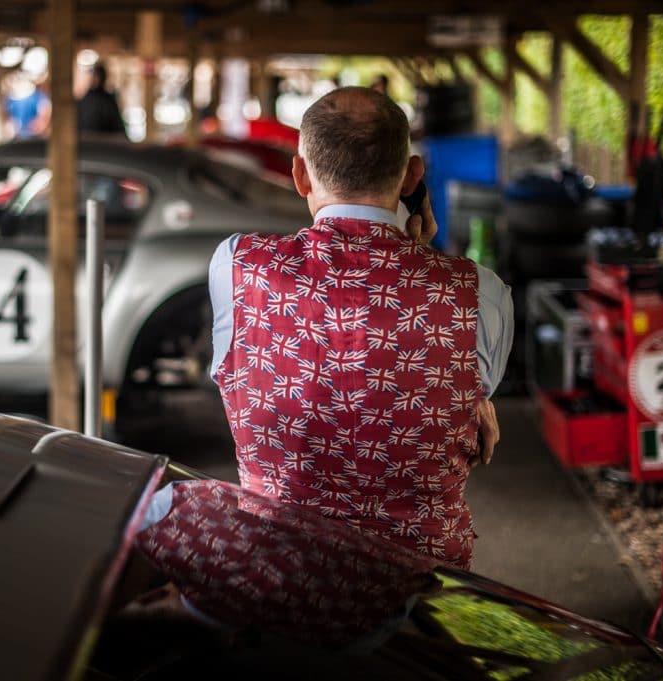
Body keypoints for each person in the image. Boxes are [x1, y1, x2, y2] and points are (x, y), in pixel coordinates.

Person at [207, 87, 512, 570]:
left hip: (274, 576)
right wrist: (421, 249)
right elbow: (462, 394)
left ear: (300, 174)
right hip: (425, 593)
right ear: (413, 176)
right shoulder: (482, 294)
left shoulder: (237, 267)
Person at [77, 62, 127, 137]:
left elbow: (117, 125)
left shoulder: (107, 101)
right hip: (86, 143)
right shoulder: (85, 99)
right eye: (93, 76)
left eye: (97, 76)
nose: (94, 79)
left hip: (104, 144)